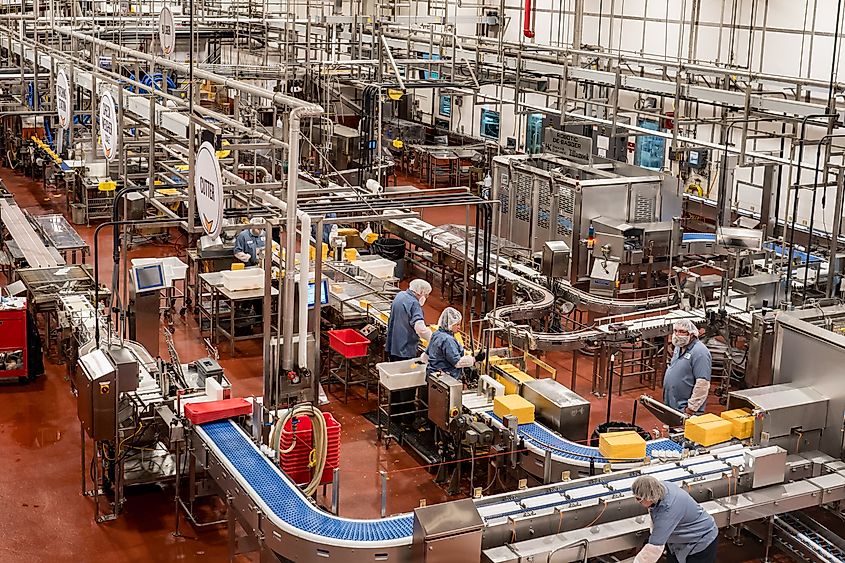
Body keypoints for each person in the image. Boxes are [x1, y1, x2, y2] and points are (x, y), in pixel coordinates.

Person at [631, 475, 719, 563]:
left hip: (700, 541)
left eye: (639, 499)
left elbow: (653, 549)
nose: (637, 501)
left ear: (649, 497)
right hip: (679, 542)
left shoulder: (668, 510)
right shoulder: (661, 487)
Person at [663, 319, 712, 415]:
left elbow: (702, 384)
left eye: (682, 332)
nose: (677, 334)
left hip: (685, 410)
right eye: (675, 331)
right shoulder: (679, 346)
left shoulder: (700, 352)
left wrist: (691, 409)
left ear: (692, 334)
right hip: (672, 404)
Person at [422, 307, 484, 380]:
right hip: (445, 379)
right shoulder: (448, 340)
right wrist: (475, 359)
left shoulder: (436, 334)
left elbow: (425, 356)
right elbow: (457, 363)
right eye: (457, 324)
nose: (459, 327)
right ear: (450, 324)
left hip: (432, 375)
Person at [385, 279, 432, 361]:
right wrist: (433, 338)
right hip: (405, 349)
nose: (426, 297)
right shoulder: (414, 304)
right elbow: (420, 329)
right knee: (403, 371)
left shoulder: (400, 295)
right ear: (420, 292)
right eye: (426, 295)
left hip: (393, 344)